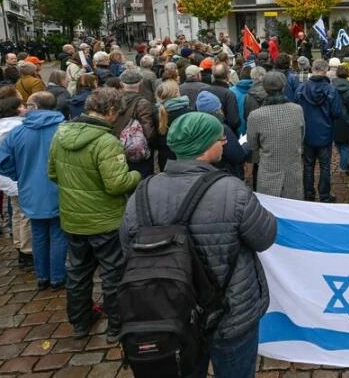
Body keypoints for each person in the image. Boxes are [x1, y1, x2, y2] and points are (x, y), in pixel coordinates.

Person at [119, 112, 277, 378]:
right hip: (230, 311)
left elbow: (128, 248)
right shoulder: (232, 190)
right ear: (205, 146)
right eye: (219, 138)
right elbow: (265, 237)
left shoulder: (143, 192)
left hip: (171, 311)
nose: (224, 143)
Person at [48, 87, 141, 341]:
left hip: (73, 218)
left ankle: (80, 321)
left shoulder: (61, 134)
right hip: (105, 220)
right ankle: (116, 325)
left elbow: (53, 173)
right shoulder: (106, 142)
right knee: (112, 273)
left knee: (77, 272)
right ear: (109, 111)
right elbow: (116, 184)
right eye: (116, 113)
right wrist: (136, 175)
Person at [0, 91, 67, 290]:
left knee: (39, 233)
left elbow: (1, 163)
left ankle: (43, 276)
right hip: (59, 189)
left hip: (30, 190)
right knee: (58, 233)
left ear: (35, 107)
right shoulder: (64, 129)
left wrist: (20, 174)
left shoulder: (17, 133)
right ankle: (58, 276)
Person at [0, 87, 32, 269]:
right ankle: (28, 251)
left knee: (16, 213)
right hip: (19, 177)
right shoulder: (18, 128)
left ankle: (19, 245)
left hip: (7, 179)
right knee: (25, 215)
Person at [247, 72, 305, 200]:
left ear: (265, 89)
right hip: (293, 171)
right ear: (283, 87)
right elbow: (301, 137)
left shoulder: (255, 115)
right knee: (293, 210)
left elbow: (252, 145)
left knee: (270, 212)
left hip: (269, 171)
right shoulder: (297, 110)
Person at [296, 59, 343, 203]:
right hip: (325, 132)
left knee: (308, 165)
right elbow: (336, 112)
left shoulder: (301, 88)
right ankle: (324, 195)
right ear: (325, 70)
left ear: (312, 69)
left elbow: (296, 109)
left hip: (307, 132)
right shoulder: (331, 90)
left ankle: (308, 194)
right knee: (324, 166)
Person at [111, 69, 156, 178]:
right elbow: (148, 131)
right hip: (137, 152)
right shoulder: (143, 103)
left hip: (115, 147)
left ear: (121, 84)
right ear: (140, 83)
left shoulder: (113, 101)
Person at [195, 91, 246, 179]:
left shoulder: (194, 127)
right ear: (217, 110)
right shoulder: (222, 129)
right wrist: (245, 147)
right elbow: (238, 156)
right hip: (225, 175)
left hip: (203, 176)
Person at [331, 65, 349, 176]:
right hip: (348, 119)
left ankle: (345, 165)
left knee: (338, 142)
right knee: (346, 145)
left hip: (334, 118)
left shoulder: (331, 87)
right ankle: (344, 166)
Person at [204, 62, 241, 133]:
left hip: (207, 133)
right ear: (227, 75)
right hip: (225, 134)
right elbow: (234, 122)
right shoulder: (229, 94)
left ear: (213, 76)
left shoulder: (203, 90)